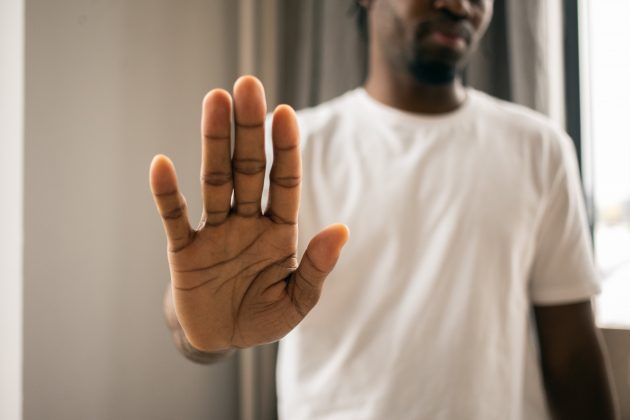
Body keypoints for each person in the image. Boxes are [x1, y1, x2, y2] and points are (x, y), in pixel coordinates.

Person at [149, 0, 619, 418]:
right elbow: (198, 318)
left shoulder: (539, 149)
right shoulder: (289, 150)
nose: (460, 5)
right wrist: (200, 327)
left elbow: (572, 358)